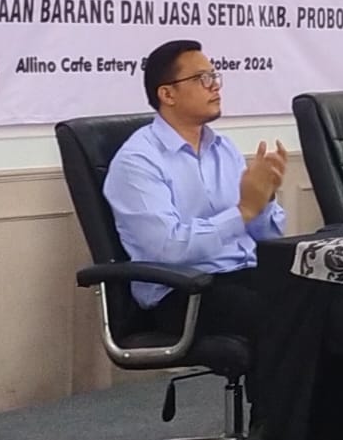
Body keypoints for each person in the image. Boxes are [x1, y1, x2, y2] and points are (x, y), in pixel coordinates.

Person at [104, 39, 287, 344]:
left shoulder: (224, 148)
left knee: (328, 300)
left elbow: (267, 238)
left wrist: (264, 199)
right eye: (202, 78)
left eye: (214, 76)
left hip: (245, 272)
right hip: (184, 292)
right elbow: (169, 249)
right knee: (286, 317)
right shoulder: (138, 160)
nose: (214, 85)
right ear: (167, 94)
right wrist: (243, 211)